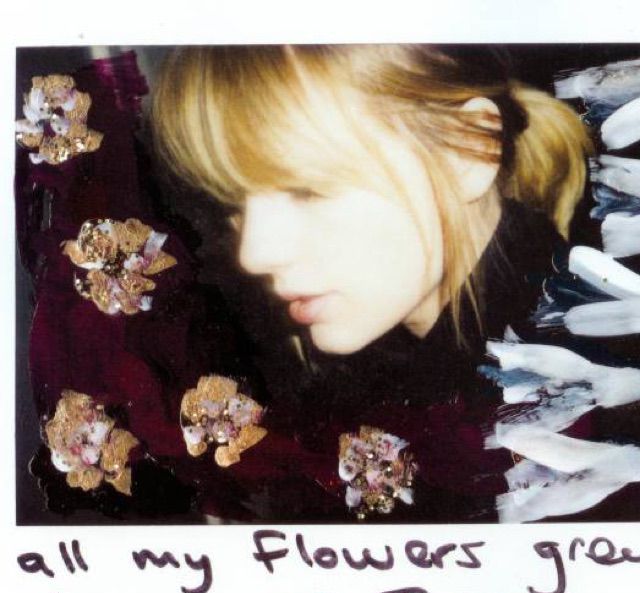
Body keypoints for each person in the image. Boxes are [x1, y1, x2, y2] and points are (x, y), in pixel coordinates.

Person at [149, 44, 600, 523]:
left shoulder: (571, 431)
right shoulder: (398, 385)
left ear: (468, 151)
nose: (254, 254)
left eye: (307, 189)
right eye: (233, 205)